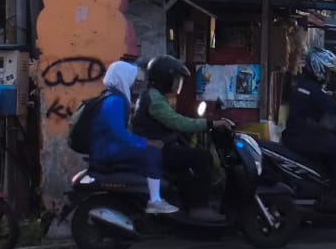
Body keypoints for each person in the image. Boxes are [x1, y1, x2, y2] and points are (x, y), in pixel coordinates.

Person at [134, 56, 231, 223]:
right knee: (202, 157)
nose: (177, 83)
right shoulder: (154, 99)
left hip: (158, 147)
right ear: (165, 77)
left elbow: (172, 120)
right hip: (157, 149)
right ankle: (199, 207)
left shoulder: (154, 95)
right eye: (175, 79)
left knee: (186, 166)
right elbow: (176, 122)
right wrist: (210, 123)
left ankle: (187, 204)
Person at [88, 60, 177, 215]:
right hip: (108, 149)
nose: (135, 82)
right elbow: (119, 134)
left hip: (108, 145)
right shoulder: (115, 101)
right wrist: (145, 142)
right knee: (152, 152)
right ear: (123, 77)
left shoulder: (112, 97)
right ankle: (155, 200)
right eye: (132, 78)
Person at [283, 48, 336, 190]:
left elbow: (322, 117)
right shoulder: (308, 89)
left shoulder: (311, 87)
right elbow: (333, 107)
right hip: (300, 138)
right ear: (318, 68)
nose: (329, 77)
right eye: (328, 72)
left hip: (305, 135)